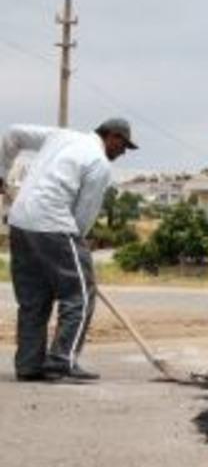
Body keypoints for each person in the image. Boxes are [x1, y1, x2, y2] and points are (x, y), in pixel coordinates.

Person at [0, 118, 138, 382]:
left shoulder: (60, 136)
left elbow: (13, 133)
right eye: (124, 146)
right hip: (53, 224)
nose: (123, 152)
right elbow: (84, 216)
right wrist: (76, 248)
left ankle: (29, 365)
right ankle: (62, 361)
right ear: (113, 136)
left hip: (19, 223)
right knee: (80, 294)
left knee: (33, 299)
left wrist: (1, 171)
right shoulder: (98, 163)